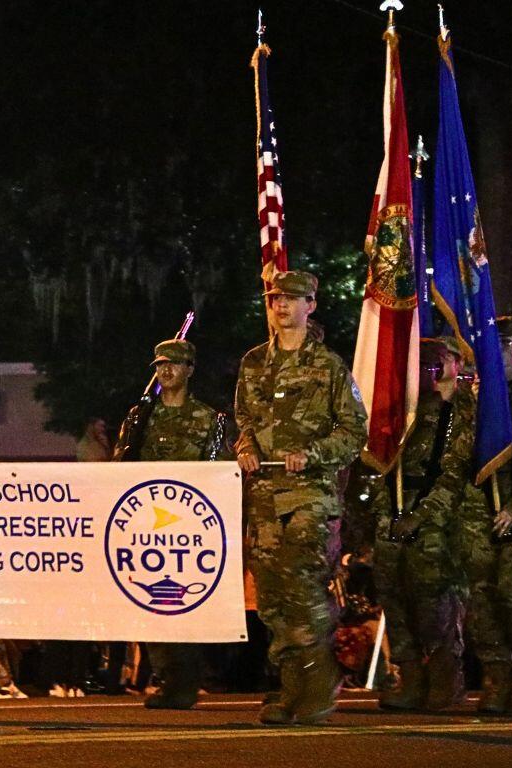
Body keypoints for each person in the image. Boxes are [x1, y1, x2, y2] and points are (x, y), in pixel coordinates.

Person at [234, 271, 367, 725]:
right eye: (275, 298)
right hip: (266, 499)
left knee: (304, 585)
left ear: (311, 305)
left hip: (311, 496)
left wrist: (310, 455)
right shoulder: (254, 363)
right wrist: (247, 449)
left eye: (292, 299)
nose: (281, 305)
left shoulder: (329, 366)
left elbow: (353, 432)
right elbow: (244, 421)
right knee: (271, 597)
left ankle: (319, 685)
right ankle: (293, 688)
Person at [413, 315, 512, 713]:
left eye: (508, 343)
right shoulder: (472, 399)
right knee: (484, 597)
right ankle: (496, 677)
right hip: (477, 509)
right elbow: (457, 459)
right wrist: (433, 508)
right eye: (493, 344)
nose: (500, 351)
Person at [112, 338, 233, 710]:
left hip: (189, 528)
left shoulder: (209, 419)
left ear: (190, 370)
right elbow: (120, 466)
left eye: (175, 364)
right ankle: (168, 676)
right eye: (161, 365)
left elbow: (217, 473)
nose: (167, 371)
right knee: (149, 601)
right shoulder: (140, 417)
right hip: (147, 525)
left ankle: (185, 678)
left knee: (184, 602)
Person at [375, 337, 467, 711]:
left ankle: (446, 679)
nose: (430, 371)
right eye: (423, 365)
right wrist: (389, 513)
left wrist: (421, 515)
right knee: (394, 597)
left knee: (435, 602)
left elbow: (456, 472)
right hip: (392, 510)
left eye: (437, 364)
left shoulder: (463, 410)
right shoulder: (402, 410)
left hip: (436, 518)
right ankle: (410, 679)